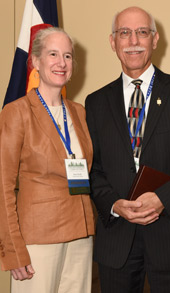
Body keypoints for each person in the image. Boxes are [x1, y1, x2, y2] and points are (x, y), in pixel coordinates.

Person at [85, 6, 170, 293]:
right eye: (124, 33)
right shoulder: (95, 103)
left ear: (155, 39)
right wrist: (114, 204)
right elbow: (93, 168)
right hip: (116, 242)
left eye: (142, 32)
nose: (133, 41)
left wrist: (163, 199)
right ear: (113, 42)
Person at [0, 27, 95, 293]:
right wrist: (12, 250)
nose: (61, 63)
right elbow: (3, 185)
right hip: (37, 240)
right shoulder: (16, 112)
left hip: (82, 235)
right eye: (53, 54)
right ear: (36, 61)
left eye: (67, 56)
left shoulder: (79, 112)